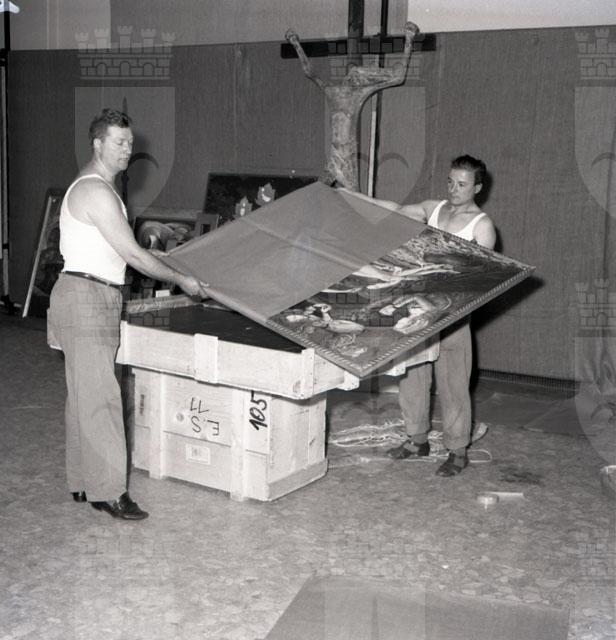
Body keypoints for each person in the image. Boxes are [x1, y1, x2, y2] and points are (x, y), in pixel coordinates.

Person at [47, 108, 209, 520]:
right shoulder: (96, 191)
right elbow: (134, 255)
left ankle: (83, 482)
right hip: (87, 296)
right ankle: (109, 492)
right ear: (97, 143)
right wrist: (183, 281)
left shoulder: (99, 187)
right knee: (102, 396)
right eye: (119, 142)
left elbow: (125, 251)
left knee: (84, 394)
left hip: (85, 293)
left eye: (130, 143)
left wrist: (179, 262)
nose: (127, 150)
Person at [343, 155, 496, 476]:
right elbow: (390, 208)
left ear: (477, 188)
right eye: (450, 182)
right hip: (418, 310)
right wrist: (347, 194)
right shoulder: (434, 208)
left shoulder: (482, 226)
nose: (454, 189)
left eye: (462, 184)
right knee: (412, 375)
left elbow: (484, 277)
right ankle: (416, 439)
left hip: (453, 313)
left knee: (453, 382)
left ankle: (457, 450)